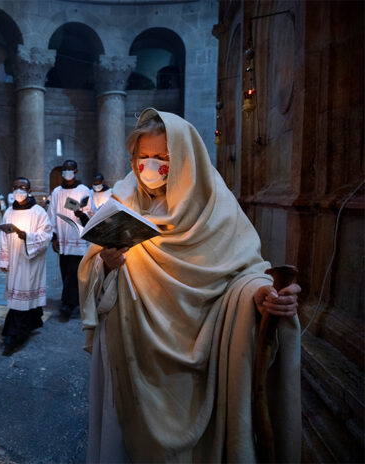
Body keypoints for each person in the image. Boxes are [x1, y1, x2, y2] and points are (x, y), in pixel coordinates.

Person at [79, 109, 301, 462]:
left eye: (162, 158)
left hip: (196, 354)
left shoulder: (215, 207)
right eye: (142, 158)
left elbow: (245, 272)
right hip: (129, 347)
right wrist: (106, 267)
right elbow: (92, 270)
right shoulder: (123, 200)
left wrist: (262, 296)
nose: (149, 167)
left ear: (185, 157)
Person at [0, 177, 52, 355]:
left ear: (29, 190)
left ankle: (16, 333)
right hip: (14, 258)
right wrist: (4, 260)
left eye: (23, 187)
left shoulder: (38, 212)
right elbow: (3, 238)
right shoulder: (9, 212)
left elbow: (47, 234)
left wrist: (27, 236)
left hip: (31, 261)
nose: (19, 191)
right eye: (16, 187)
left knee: (24, 292)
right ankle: (33, 321)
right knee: (18, 293)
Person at [47, 159, 93, 321]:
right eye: (65, 169)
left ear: (76, 171)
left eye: (70, 169)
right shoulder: (57, 192)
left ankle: (67, 303)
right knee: (65, 270)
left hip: (78, 239)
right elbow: (51, 215)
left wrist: (82, 214)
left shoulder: (84, 190)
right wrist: (54, 237)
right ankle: (72, 300)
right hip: (63, 239)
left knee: (74, 272)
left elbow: (90, 213)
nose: (68, 172)